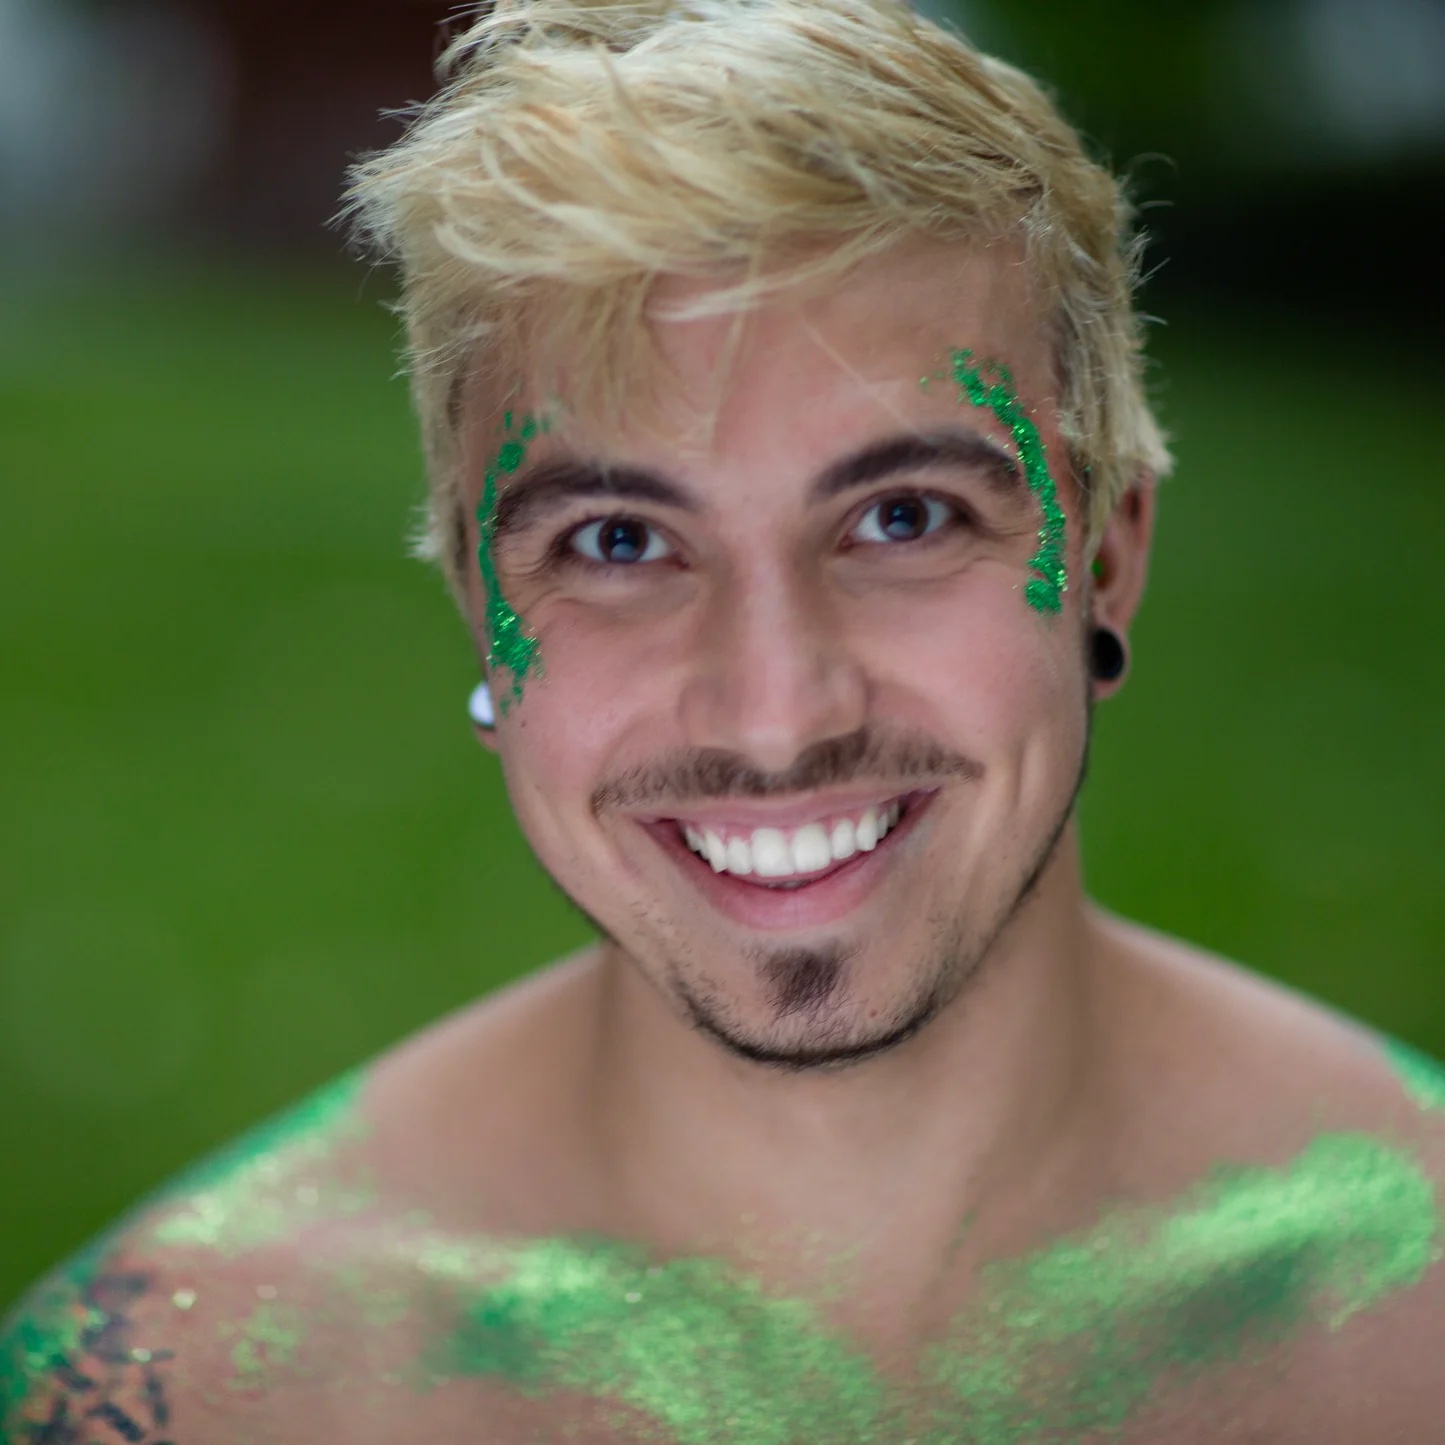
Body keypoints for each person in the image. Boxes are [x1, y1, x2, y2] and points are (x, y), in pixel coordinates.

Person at [4, 1, 1443, 1440]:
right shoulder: (171, 1390)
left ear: (1106, 553)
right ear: (477, 606)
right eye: (621, 543)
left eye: (902, 516)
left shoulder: (1411, 1311)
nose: (773, 714)